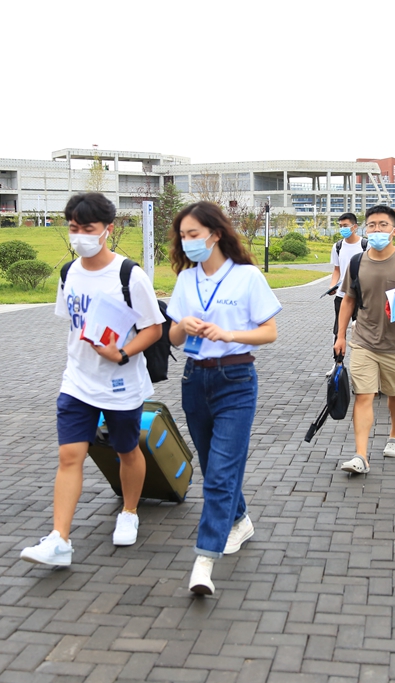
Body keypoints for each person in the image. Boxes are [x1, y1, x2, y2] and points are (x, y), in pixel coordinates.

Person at [20, 192, 164, 568]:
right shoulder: (69, 273)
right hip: (78, 379)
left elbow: (153, 329)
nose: (80, 235)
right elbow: (71, 323)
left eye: (88, 228)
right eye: (73, 228)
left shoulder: (128, 274)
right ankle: (59, 540)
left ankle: (130, 511)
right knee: (70, 455)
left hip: (120, 382)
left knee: (126, 450)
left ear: (107, 230)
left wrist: (122, 353)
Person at [166, 201, 281, 596]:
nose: (188, 242)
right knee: (212, 465)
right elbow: (173, 339)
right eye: (183, 236)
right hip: (194, 379)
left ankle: (204, 560)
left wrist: (230, 334)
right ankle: (240, 519)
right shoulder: (186, 280)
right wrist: (182, 325)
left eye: (194, 234)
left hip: (236, 379)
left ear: (215, 234)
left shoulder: (247, 277)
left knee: (219, 474)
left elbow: (269, 331)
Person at [332, 204, 395, 474]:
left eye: (383, 225)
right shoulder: (357, 262)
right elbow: (348, 300)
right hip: (363, 339)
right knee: (363, 394)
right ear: (365, 229)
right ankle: (360, 456)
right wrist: (340, 336)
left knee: (394, 391)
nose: (377, 229)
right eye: (372, 225)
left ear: (393, 230)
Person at [329, 212, 366, 339]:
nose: (342, 229)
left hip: (361, 296)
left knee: (362, 330)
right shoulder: (337, 247)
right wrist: (332, 286)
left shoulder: (365, 246)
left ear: (354, 227)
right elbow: (337, 270)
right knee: (339, 331)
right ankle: (338, 359)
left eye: (345, 225)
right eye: (340, 226)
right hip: (341, 295)